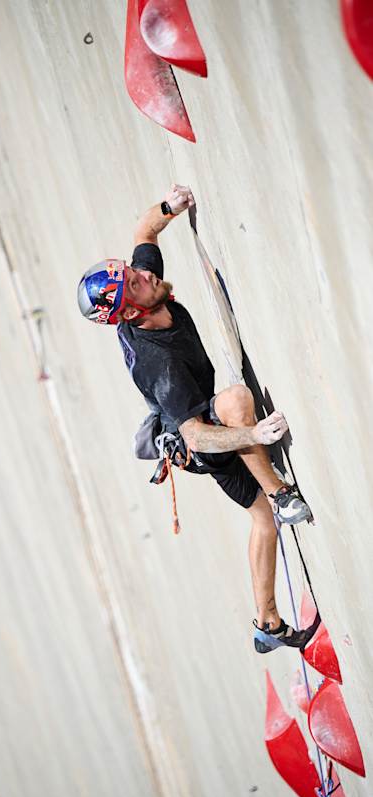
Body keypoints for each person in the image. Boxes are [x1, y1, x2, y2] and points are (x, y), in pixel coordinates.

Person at [77, 185, 319, 654]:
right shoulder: (157, 362)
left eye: (131, 270)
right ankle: (281, 492)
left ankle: (267, 625)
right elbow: (196, 434)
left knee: (263, 525)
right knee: (234, 403)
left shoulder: (143, 290)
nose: (142, 275)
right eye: (133, 280)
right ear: (129, 310)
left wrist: (169, 206)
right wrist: (253, 434)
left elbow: (144, 228)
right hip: (197, 443)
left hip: (196, 422)